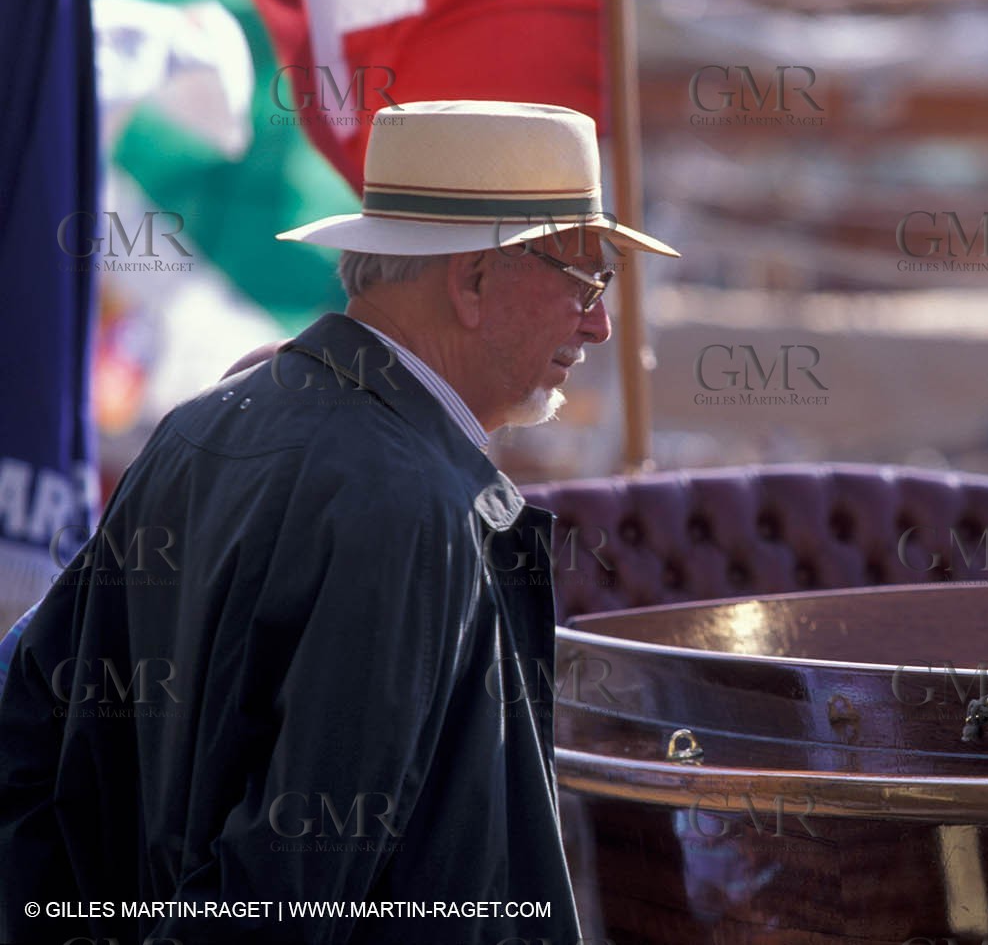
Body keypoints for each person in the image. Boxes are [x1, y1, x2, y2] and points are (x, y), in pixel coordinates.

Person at [0, 101, 678, 945]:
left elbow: (27, 725)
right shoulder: (417, 506)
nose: (599, 321)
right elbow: (295, 885)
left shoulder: (198, 428)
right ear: (471, 280)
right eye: (582, 279)